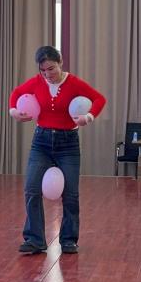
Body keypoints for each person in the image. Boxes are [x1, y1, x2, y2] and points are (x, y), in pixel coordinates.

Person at [8, 46, 106, 255]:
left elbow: (99, 99)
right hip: (41, 142)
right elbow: (16, 93)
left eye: (51, 69)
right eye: (43, 70)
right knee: (31, 189)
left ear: (60, 62)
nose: (47, 75)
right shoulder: (37, 82)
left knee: (70, 194)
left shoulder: (74, 82)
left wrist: (88, 117)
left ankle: (69, 240)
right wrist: (13, 111)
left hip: (68, 144)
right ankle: (35, 239)